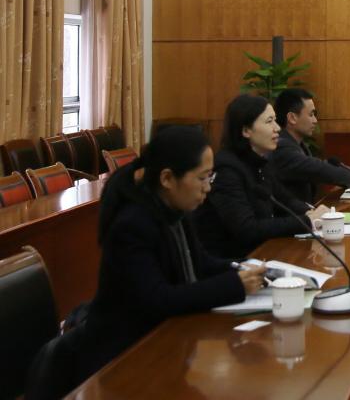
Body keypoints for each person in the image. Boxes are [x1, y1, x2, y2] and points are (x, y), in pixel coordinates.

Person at [68, 125, 266, 386]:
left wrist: (242, 267)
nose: (208, 188)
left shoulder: (173, 209)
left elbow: (200, 262)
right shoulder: (133, 225)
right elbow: (159, 299)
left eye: (211, 177)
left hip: (164, 340)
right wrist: (235, 285)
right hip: (125, 359)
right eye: (202, 178)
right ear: (167, 178)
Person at [195, 94, 331, 259]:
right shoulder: (227, 170)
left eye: (275, 120)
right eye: (269, 121)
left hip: (263, 254)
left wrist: (311, 212)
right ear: (246, 130)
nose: (277, 128)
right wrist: (307, 221)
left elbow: (285, 200)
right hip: (236, 262)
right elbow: (247, 228)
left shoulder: (260, 162)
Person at [270, 88, 350, 205]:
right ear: (292, 118)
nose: (315, 120)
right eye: (311, 115)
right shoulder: (281, 147)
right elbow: (319, 169)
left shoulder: (297, 144)